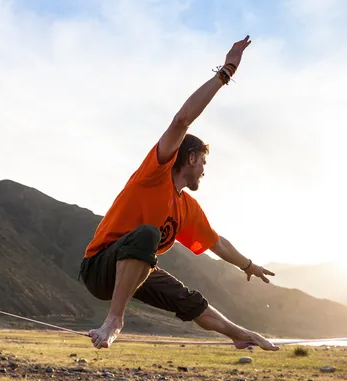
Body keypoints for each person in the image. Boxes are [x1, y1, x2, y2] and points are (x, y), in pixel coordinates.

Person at [79, 35, 279, 351]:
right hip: (99, 267)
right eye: (203, 162)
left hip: (135, 271)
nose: (204, 170)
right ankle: (114, 320)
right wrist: (226, 72)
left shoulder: (187, 208)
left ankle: (239, 334)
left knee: (188, 298)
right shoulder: (154, 173)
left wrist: (248, 265)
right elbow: (182, 119)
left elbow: (218, 243)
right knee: (146, 236)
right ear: (188, 158)